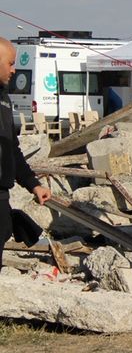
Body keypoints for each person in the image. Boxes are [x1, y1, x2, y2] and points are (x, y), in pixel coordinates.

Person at [0, 38, 52, 267]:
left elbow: (12, 148)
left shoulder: (4, 99)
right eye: (10, 63)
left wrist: (33, 184)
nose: (14, 70)